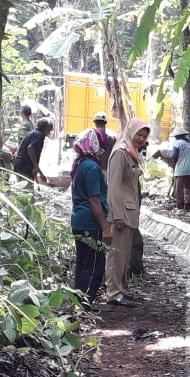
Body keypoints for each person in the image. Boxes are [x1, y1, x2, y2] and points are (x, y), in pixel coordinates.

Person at [104, 118, 150, 307]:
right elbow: (114, 186)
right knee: (116, 255)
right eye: (139, 134)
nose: (141, 138)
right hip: (121, 213)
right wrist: (117, 215)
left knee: (124, 255)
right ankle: (113, 292)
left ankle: (121, 289)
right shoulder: (120, 153)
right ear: (131, 132)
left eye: (144, 136)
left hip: (130, 212)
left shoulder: (132, 153)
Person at [68, 129, 112, 311]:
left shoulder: (80, 164)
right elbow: (94, 200)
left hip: (78, 220)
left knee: (83, 264)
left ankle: (78, 304)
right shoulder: (92, 167)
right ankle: (83, 306)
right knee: (94, 267)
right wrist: (105, 227)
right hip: (90, 222)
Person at [152, 127, 190, 210]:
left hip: (181, 170)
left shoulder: (177, 143)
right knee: (187, 188)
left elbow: (174, 157)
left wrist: (171, 162)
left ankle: (179, 207)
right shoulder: (189, 144)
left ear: (176, 136)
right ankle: (187, 206)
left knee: (179, 189)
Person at [14, 118, 53, 184]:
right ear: (45, 128)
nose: (50, 131)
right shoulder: (38, 135)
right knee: (26, 187)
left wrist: (37, 172)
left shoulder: (35, 134)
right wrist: (36, 167)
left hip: (22, 165)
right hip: (24, 166)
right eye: (50, 128)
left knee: (27, 186)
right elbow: (30, 148)